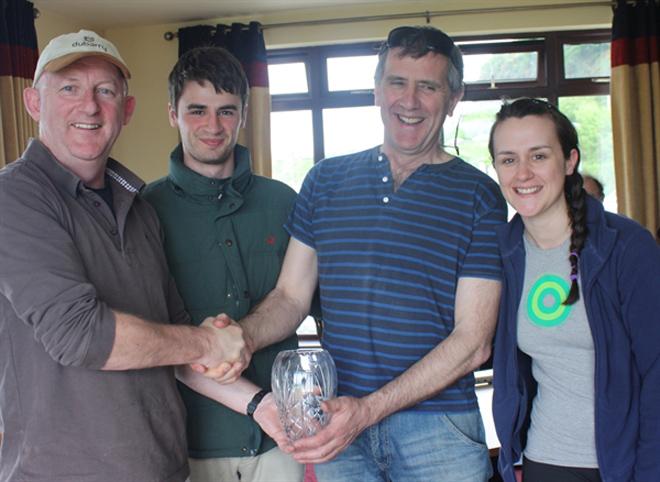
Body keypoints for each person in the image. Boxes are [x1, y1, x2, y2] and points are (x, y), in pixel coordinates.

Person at [228, 25, 508, 482]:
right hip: (339, 425)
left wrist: (369, 410)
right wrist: (239, 340)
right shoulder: (325, 181)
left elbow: (473, 341)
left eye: (429, 86)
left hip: (438, 430)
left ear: (454, 98)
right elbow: (291, 297)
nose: (410, 100)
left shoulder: (479, 195)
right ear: (378, 90)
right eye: (397, 82)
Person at [0, 30, 247, 481]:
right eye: (69, 88)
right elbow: (79, 334)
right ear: (34, 103)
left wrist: (265, 408)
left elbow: (178, 341)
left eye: (106, 91)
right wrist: (210, 341)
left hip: (165, 469)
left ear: (127, 110)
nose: (89, 106)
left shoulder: (141, 210)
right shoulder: (14, 195)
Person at [143, 46, 303, 482]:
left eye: (226, 111)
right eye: (197, 110)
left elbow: (312, 303)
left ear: (245, 114)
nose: (212, 126)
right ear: (172, 114)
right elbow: (145, 332)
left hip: (279, 440)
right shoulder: (142, 211)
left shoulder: (285, 203)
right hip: (187, 439)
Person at [488, 98, 660, 482]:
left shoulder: (626, 246)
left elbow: (656, 371)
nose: (523, 173)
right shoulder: (502, 252)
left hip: (624, 464)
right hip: (545, 461)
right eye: (509, 159)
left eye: (539, 155)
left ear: (569, 161)